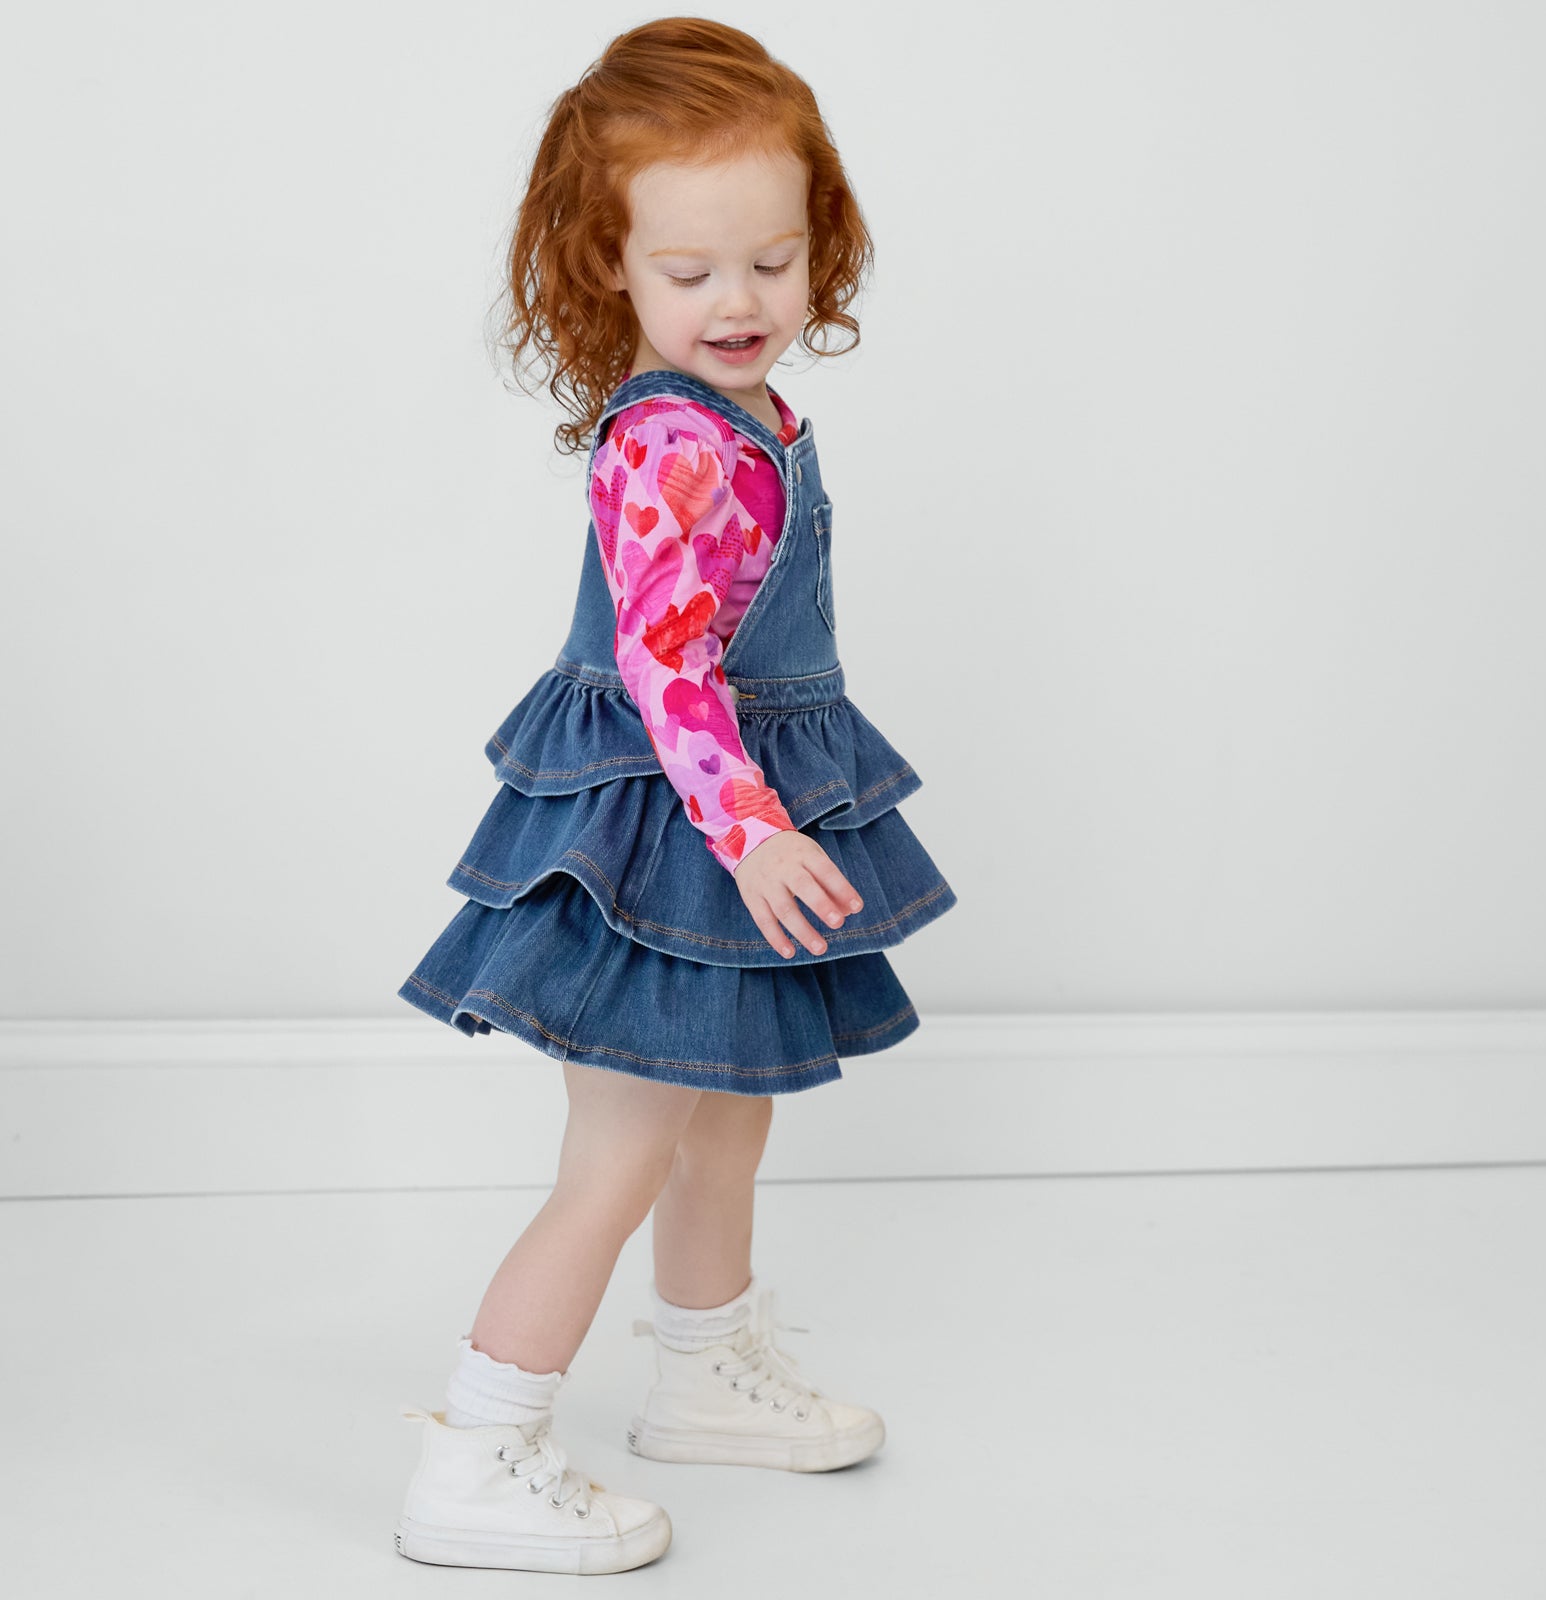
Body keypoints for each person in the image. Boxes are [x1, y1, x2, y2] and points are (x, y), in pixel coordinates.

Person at [391, 16, 957, 1577]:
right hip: (671, 830)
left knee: (725, 1120)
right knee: (623, 1149)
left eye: (773, 261)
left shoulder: (758, 421)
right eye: (691, 270)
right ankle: (482, 1444)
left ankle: (704, 1367)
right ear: (608, 269)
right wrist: (755, 825)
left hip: (728, 819)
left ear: (817, 244)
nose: (740, 302)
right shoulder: (669, 444)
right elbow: (666, 669)